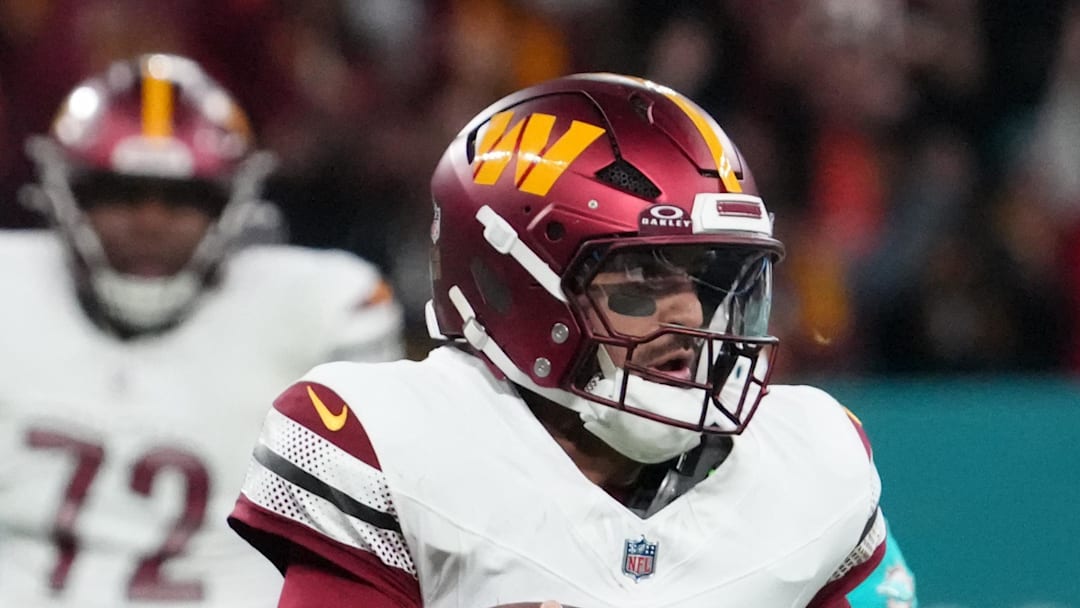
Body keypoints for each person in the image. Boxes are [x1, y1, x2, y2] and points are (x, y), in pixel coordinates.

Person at [229, 73, 898, 607]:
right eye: (639, 280)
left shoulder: (813, 462)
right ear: (514, 288)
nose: (691, 311)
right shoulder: (392, 444)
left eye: (708, 278)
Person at [0, 54, 404, 607]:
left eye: (183, 198)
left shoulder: (319, 310)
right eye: (119, 191)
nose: (149, 221)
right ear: (66, 192)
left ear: (232, 202)